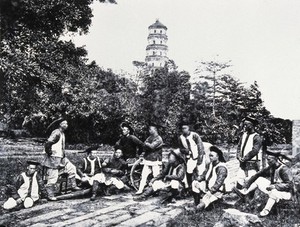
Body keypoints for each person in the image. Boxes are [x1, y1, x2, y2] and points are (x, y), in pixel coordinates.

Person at [233, 150, 293, 217]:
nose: (268, 162)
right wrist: (247, 184)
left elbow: (290, 185)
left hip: (286, 193)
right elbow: (257, 175)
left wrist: (275, 186)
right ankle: (245, 192)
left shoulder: (284, 169)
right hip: (273, 188)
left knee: (274, 193)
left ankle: (265, 211)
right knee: (259, 179)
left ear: (276, 159)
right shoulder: (271, 167)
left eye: (269, 160)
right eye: (267, 160)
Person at [42, 118, 80, 201]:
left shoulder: (62, 133)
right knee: (53, 177)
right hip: (54, 158)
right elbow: (48, 143)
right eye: (64, 123)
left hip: (61, 157)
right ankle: (50, 194)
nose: (66, 125)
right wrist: (50, 153)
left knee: (71, 168)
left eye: (67, 123)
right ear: (60, 124)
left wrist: (62, 156)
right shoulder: (56, 132)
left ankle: (73, 186)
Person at [191, 146, 230, 211]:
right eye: (209, 155)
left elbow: (219, 183)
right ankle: (197, 202)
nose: (210, 157)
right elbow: (204, 175)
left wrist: (210, 192)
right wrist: (198, 179)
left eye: (212, 156)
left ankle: (196, 209)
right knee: (194, 183)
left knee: (206, 200)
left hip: (218, 191)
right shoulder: (210, 164)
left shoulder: (221, 168)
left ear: (217, 157)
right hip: (208, 187)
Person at [136, 124, 164, 195]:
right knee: (143, 175)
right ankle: (140, 190)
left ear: (155, 130)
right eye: (149, 130)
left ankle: (157, 190)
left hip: (155, 160)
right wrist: (147, 145)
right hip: (148, 159)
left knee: (156, 176)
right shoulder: (149, 137)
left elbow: (152, 146)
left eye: (151, 129)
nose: (149, 131)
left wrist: (147, 144)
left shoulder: (159, 138)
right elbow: (144, 146)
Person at [236, 117, 263, 188]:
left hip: (252, 162)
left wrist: (245, 158)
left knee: (251, 180)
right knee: (240, 178)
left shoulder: (257, 137)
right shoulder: (243, 135)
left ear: (251, 125)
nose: (244, 126)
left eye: (246, 125)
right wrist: (238, 156)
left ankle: (249, 196)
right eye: (244, 125)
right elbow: (239, 147)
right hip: (243, 162)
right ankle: (239, 195)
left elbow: (255, 150)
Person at [178, 123, 205, 191]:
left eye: (185, 128)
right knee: (189, 172)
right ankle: (190, 188)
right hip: (190, 157)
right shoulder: (181, 137)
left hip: (198, 156)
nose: (184, 130)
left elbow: (200, 147)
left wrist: (200, 158)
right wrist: (185, 151)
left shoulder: (194, 135)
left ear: (188, 128)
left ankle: (202, 189)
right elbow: (180, 149)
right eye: (182, 128)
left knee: (200, 172)